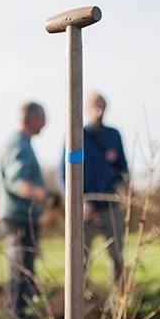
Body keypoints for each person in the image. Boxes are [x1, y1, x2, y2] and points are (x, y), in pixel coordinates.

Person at [0, 101, 57, 319]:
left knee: (23, 275)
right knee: (22, 275)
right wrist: (45, 196)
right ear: (32, 118)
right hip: (20, 221)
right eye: (43, 118)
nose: (46, 125)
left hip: (14, 219)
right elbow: (17, 182)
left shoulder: (14, 144)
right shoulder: (18, 146)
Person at [59, 91, 129, 288]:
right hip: (85, 209)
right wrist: (79, 202)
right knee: (79, 259)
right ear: (86, 109)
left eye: (102, 106)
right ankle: (79, 301)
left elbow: (122, 169)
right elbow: (65, 174)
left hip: (111, 206)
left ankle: (119, 300)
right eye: (94, 106)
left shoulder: (114, 135)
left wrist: (124, 189)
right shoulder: (76, 136)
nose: (99, 110)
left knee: (117, 256)